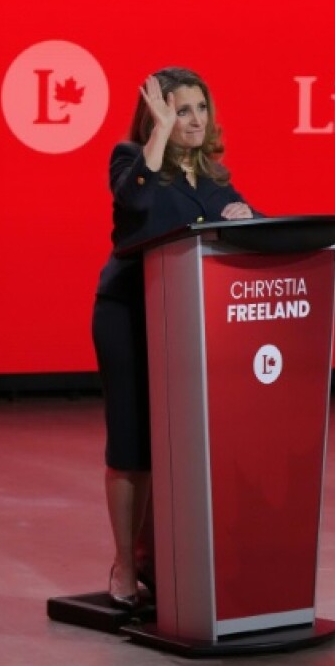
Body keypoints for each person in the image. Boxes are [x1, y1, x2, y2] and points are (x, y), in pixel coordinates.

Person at [91, 67, 254, 608]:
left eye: (200, 109)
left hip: (187, 322)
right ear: (157, 116)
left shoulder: (211, 177)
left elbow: (244, 223)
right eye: (181, 110)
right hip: (129, 316)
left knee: (175, 446)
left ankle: (154, 559)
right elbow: (133, 204)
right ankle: (123, 563)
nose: (194, 120)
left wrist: (248, 218)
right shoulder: (131, 159)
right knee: (133, 443)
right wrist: (156, 136)